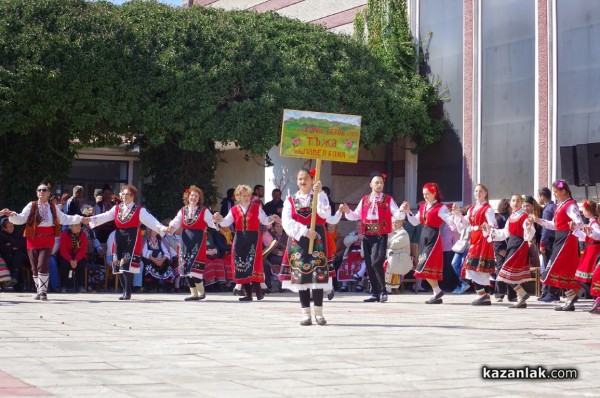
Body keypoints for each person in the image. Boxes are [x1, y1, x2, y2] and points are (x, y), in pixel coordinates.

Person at [280, 169, 344, 325]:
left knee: (318, 277)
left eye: (306, 178)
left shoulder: (319, 196)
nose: (303, 182)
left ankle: (319, 314)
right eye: (300, 179)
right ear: (297, 181)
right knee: (302, 277)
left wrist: (321, 194)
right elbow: (286, 222)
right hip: (298, 241)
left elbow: (324, 214)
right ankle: (305, 314)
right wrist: (304, 231)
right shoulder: (290, 200)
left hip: (318, 240)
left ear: (312, 180)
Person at [1, 181, 83, 300]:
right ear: (36, 193)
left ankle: (43, 292)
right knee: (34, 266)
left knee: (42, 264)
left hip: (48, 238)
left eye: (44, 190)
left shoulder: (53, 207)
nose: (41, 192)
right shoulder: (32, 205)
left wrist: (79, 218)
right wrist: (12, 215)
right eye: (39, 190)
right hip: (33, 239)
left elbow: (64, 218)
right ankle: (39, 290)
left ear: (48, 193)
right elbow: (22, 218)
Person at [86, 184, 168, 300]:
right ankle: (124, 290)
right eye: (123, 194)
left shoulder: (139, 210)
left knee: (127, 264)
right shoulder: (117, 208)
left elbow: (151, 220)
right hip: (119, 236)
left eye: (127, 194)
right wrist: (90, 219)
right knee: (118, 263)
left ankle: (127, 292)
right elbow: (105, 216)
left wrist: (162, 228)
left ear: (133, 196)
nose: (124, 196)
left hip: (132, 237)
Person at [342, 171, 402, 303]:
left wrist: (402, 210)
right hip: (367, 235)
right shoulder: (364, 200)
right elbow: (356, 215)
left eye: (381, 182)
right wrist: (347, 211)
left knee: (376, 262)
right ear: (371, 184)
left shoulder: (388, 200)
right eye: (377, 182)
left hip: (380, 234)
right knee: (369, 264)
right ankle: (375, 293)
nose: (379, 185)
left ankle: (383, 291)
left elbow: (397, 214)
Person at [213, 185, 280, 301]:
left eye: (248, 195)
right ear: (238, 197)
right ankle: (248, 294)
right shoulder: (234, 209)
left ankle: (259, 292)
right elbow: (225, 223)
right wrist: (218, 219)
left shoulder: (256, 207)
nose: (247, 197)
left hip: (253, 238)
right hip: (239, 239)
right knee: (240, 265)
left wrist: (272, 218)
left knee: (254, 264)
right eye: (244, 195)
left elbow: (264, 220)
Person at [531, 180, 583, 311]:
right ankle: (570, 297)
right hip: (559, 238)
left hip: (567, 239)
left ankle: (571, 296)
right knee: (559, 270)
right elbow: (554, 225)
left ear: (563, 191)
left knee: (554, 267)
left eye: (555, 192)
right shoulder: (560, 206)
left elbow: (580, 222)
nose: (554, 195)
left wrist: (575, 225)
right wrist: (538, 220)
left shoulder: (571, 205)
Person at [401, 183, 453, 304]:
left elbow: (450, 220)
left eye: (427, 194)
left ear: (434, 193)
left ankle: (437, 291)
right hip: (424, 235)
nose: (425, 196)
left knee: (422, 266)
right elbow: (414, 222)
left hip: (433, 236)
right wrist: (408, 211)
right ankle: (437, 292)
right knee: (425, 268)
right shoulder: (423, 207)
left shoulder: (441, 207)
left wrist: (456, 215)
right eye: (424, 194)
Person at [167, 186, 218, 301]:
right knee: (185, 267)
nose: (194, 197)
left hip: (198, 240)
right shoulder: (183, 210)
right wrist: (171, 226)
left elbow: (211, 222)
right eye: (192, 195)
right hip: (185, 239)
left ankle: (201, 292)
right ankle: (193, 293)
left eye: (196, 196)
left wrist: (215, 220)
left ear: (199, 198)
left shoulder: (204, 210)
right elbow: (176, 220)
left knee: (195, 267)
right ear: (188, 197)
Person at [485, 195, 535, 308]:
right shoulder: (511, 217)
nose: (515, 202)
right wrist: (491, 232)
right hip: (511, 244)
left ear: (521, 203)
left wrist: (528, 227)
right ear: (510, 203)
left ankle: (521, 294)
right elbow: (505, 233)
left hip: (519, 245)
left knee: (505, 273)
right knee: (512, 274)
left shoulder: (524, 216)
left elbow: (530, 233)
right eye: (513, 200)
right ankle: (521, 299)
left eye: (518, 200)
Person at [452, 184, 496, 306]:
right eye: (476, 191)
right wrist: (457, 214)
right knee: (473, 267)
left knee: (475, 267)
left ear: (485, 193)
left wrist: (488, 227)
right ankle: (484, 296)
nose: (478, 193)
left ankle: (482, 294)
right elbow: (464, 224)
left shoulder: (488, 209)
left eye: (480, 191)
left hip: (483, 239)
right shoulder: (472, 208)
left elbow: (494, 225)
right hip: (474, 238)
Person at [574, 201, 600, 303]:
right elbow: (587, 237)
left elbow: (597, 235)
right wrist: (576, 231)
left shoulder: (594, 223)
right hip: (590, 249)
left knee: (581, 277)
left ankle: (596, 296)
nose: (583, 212)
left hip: (593, 251)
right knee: (583, 278)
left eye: (583, 210)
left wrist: (590, 231)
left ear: (588, 210)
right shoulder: (592, 222)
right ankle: (595, 297)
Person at [536, 187, 559, 302]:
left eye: (538, 196)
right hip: (555, 240)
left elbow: (546, 227)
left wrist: (542, 243)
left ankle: (551, 293)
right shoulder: (554, 207)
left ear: (542, 197)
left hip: (549, 241)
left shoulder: (547, 209)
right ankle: (550, 293)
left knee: (548, 266)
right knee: (551, 266)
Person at [492, 198, 515, 302]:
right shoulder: (500, 219)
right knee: (501, 270)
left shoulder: (513, 218)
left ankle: (511, 294)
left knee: (510, 270)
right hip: (502, 248)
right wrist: (500, 249)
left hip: (511, 247)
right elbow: (496, 235)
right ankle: (499, 293)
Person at [58, 223, 88, 293]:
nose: (78, 227)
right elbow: (63, 250)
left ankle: (81, 286)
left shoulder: (83, 235)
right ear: (70, 227)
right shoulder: (64, 235)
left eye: (79, 225)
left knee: (81, 263)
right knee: (64, 263)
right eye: (76, 225)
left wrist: (76, 260)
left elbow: (83, 250)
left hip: (78, 257)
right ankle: (63, 286)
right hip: (67, 256)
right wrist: (70, 260)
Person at [385, 219, 412, 292]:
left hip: (401, 257)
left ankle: (388, 287)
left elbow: (394, 245)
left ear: (401, 223)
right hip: (392, 254)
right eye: (392, 222)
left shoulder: (403, 233)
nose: (394, 224)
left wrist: (385, 244)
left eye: (396, 222)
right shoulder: (390, 232)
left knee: (390, 260)